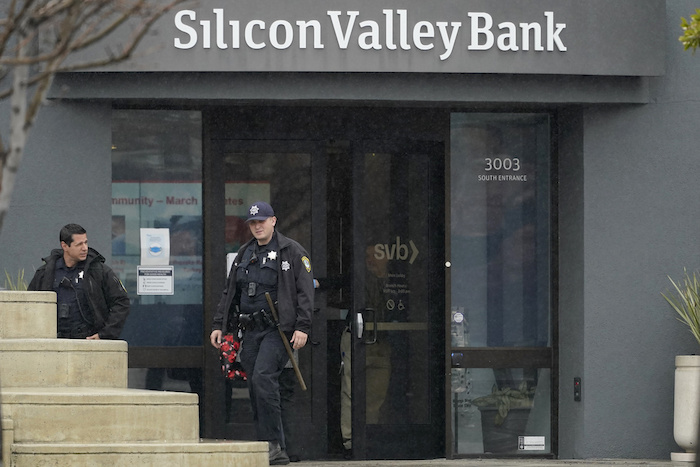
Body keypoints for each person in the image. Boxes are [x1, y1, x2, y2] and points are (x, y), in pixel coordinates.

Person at [210, 201, 314, 466]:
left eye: (262, 221)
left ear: (273, 221)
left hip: (279, 330)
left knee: (263, 378)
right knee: (257, 385)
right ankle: (268, 443)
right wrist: (219, 324)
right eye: (253, 223)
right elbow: (230, 291)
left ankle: (274, 444)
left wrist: (302, 327)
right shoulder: (244, 253)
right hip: (251, 330)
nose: (257, 226)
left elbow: (305, 292)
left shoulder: (291, 251)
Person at [28, 223, 130, 339]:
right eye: (79, 244)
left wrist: (104, 334)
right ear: (65, 246)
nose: (85, 248)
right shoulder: (46, 273)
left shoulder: (98, 271)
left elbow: (122, 302)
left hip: (88, 340)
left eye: (86, 242)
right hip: (54, 340)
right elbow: (30, 305)